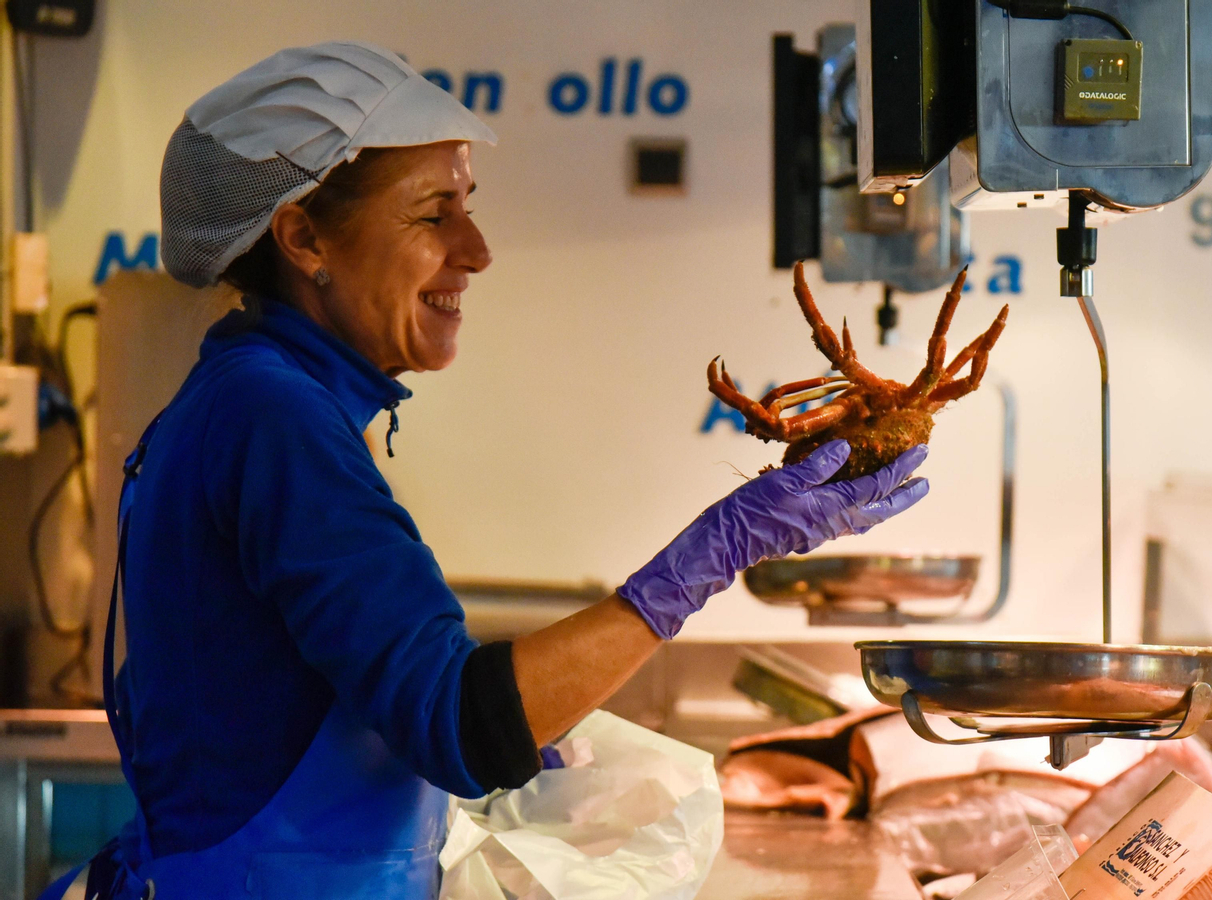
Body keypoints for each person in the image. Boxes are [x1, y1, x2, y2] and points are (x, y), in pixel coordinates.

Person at [41, 41, 928, 900]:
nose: (476, 249)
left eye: (468, 203)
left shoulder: (255, 398)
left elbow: (323, 701)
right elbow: (462, 725)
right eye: (434, 214)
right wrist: (707, 559)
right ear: (304, 237)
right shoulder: (273, 417)